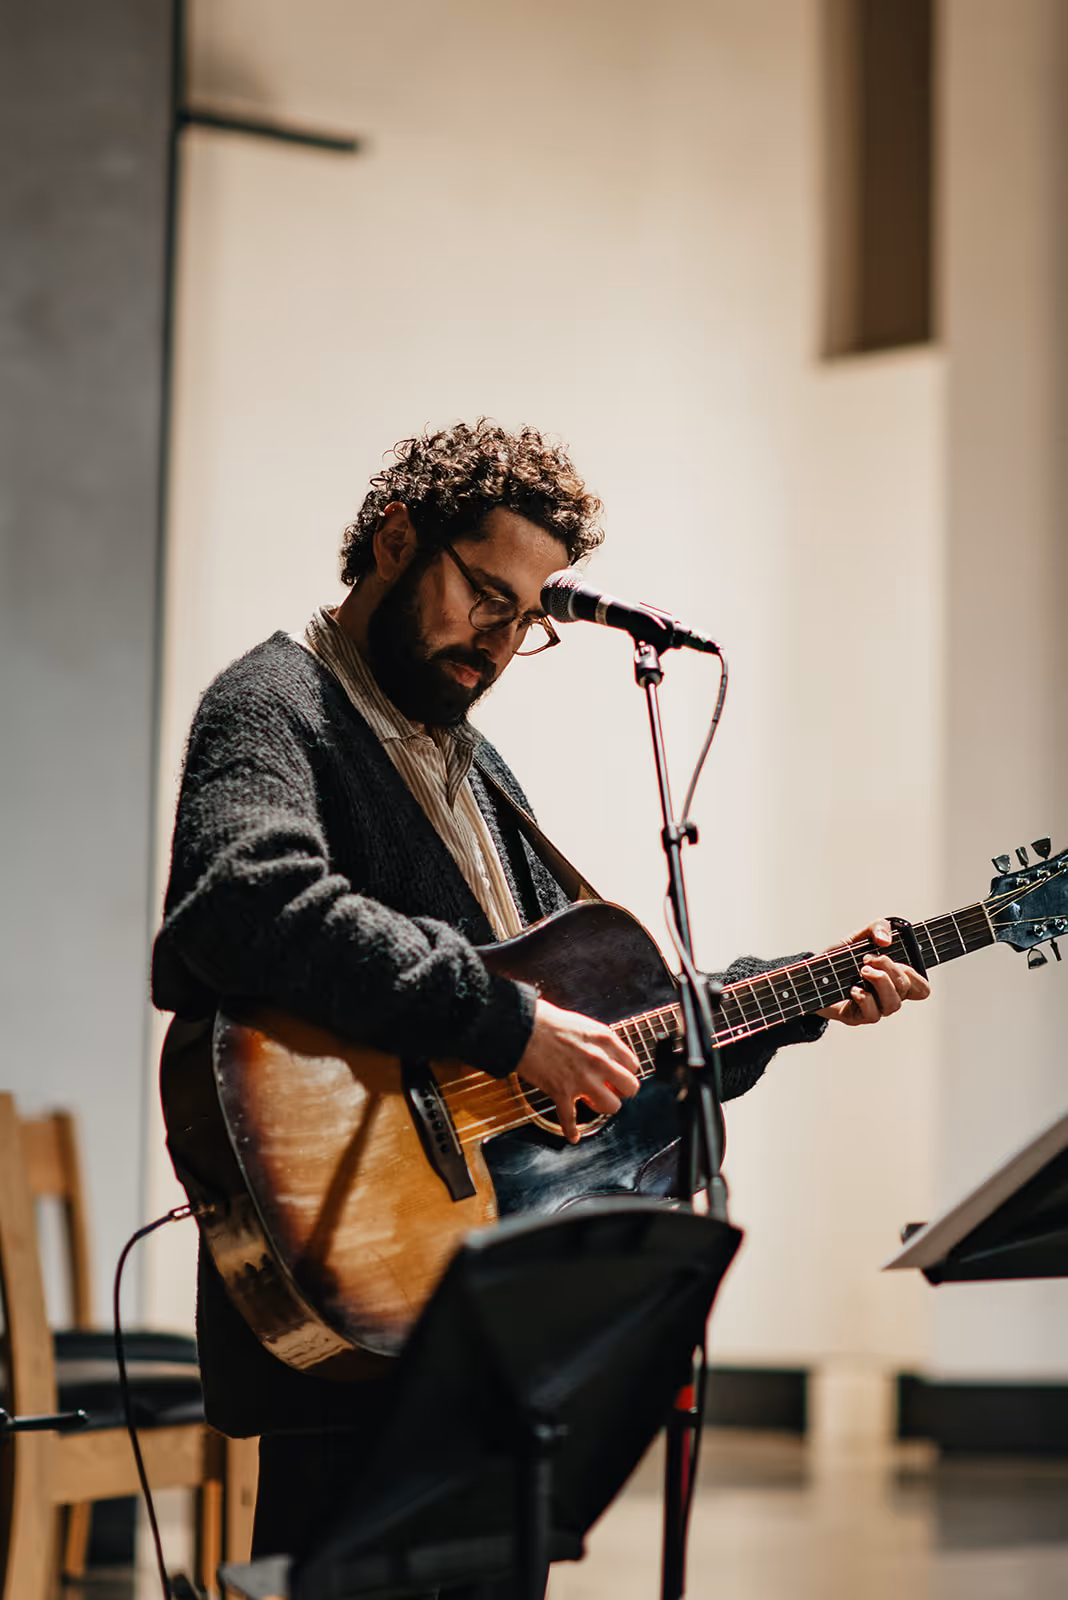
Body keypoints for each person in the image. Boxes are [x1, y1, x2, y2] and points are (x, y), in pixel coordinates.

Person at [152, 419, 930, 1565]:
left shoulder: (478, 770)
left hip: (490, 1308)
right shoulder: (277, 702)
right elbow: (243, 902)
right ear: (394, 541)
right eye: (484, 594)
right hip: (355, 1276)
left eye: (529, 616)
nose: (503, 639)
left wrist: (804, 991)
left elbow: (609, 1029)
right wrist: (510, 1024)